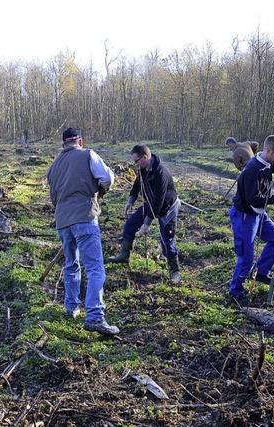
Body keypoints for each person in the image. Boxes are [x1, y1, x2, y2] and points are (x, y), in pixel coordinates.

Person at [46, 128, 119, 335]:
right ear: (79, 141)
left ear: (63, 144)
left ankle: (71, 307)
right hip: (85, 216)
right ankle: (95, 316)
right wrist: (99, 189)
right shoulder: (88, 154)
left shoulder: (54, 166)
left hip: (62, 220)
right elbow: (108, 178)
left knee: (71, 265)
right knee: (95, 268)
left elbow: (54, 197)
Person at [228, 135, 274, 306]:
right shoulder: (252, 169)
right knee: (246, 256)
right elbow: (253, 199)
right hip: (245, 215)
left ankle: (260, 272)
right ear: (268, 150)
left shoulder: (265, 163)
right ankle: (236, 291)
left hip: (258, 214)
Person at [107, 145, 182, 284]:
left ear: (145, 157)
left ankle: (174, 272)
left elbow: (159, 201)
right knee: (130, 224)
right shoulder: (142, 169)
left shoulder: (161, 173)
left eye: (137, 161)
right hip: (151, 202)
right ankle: (124, 254)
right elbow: (137, 184)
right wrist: (131, 200)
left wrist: (146, 224)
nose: (135, 165)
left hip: (167, 207)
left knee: (167, 239)